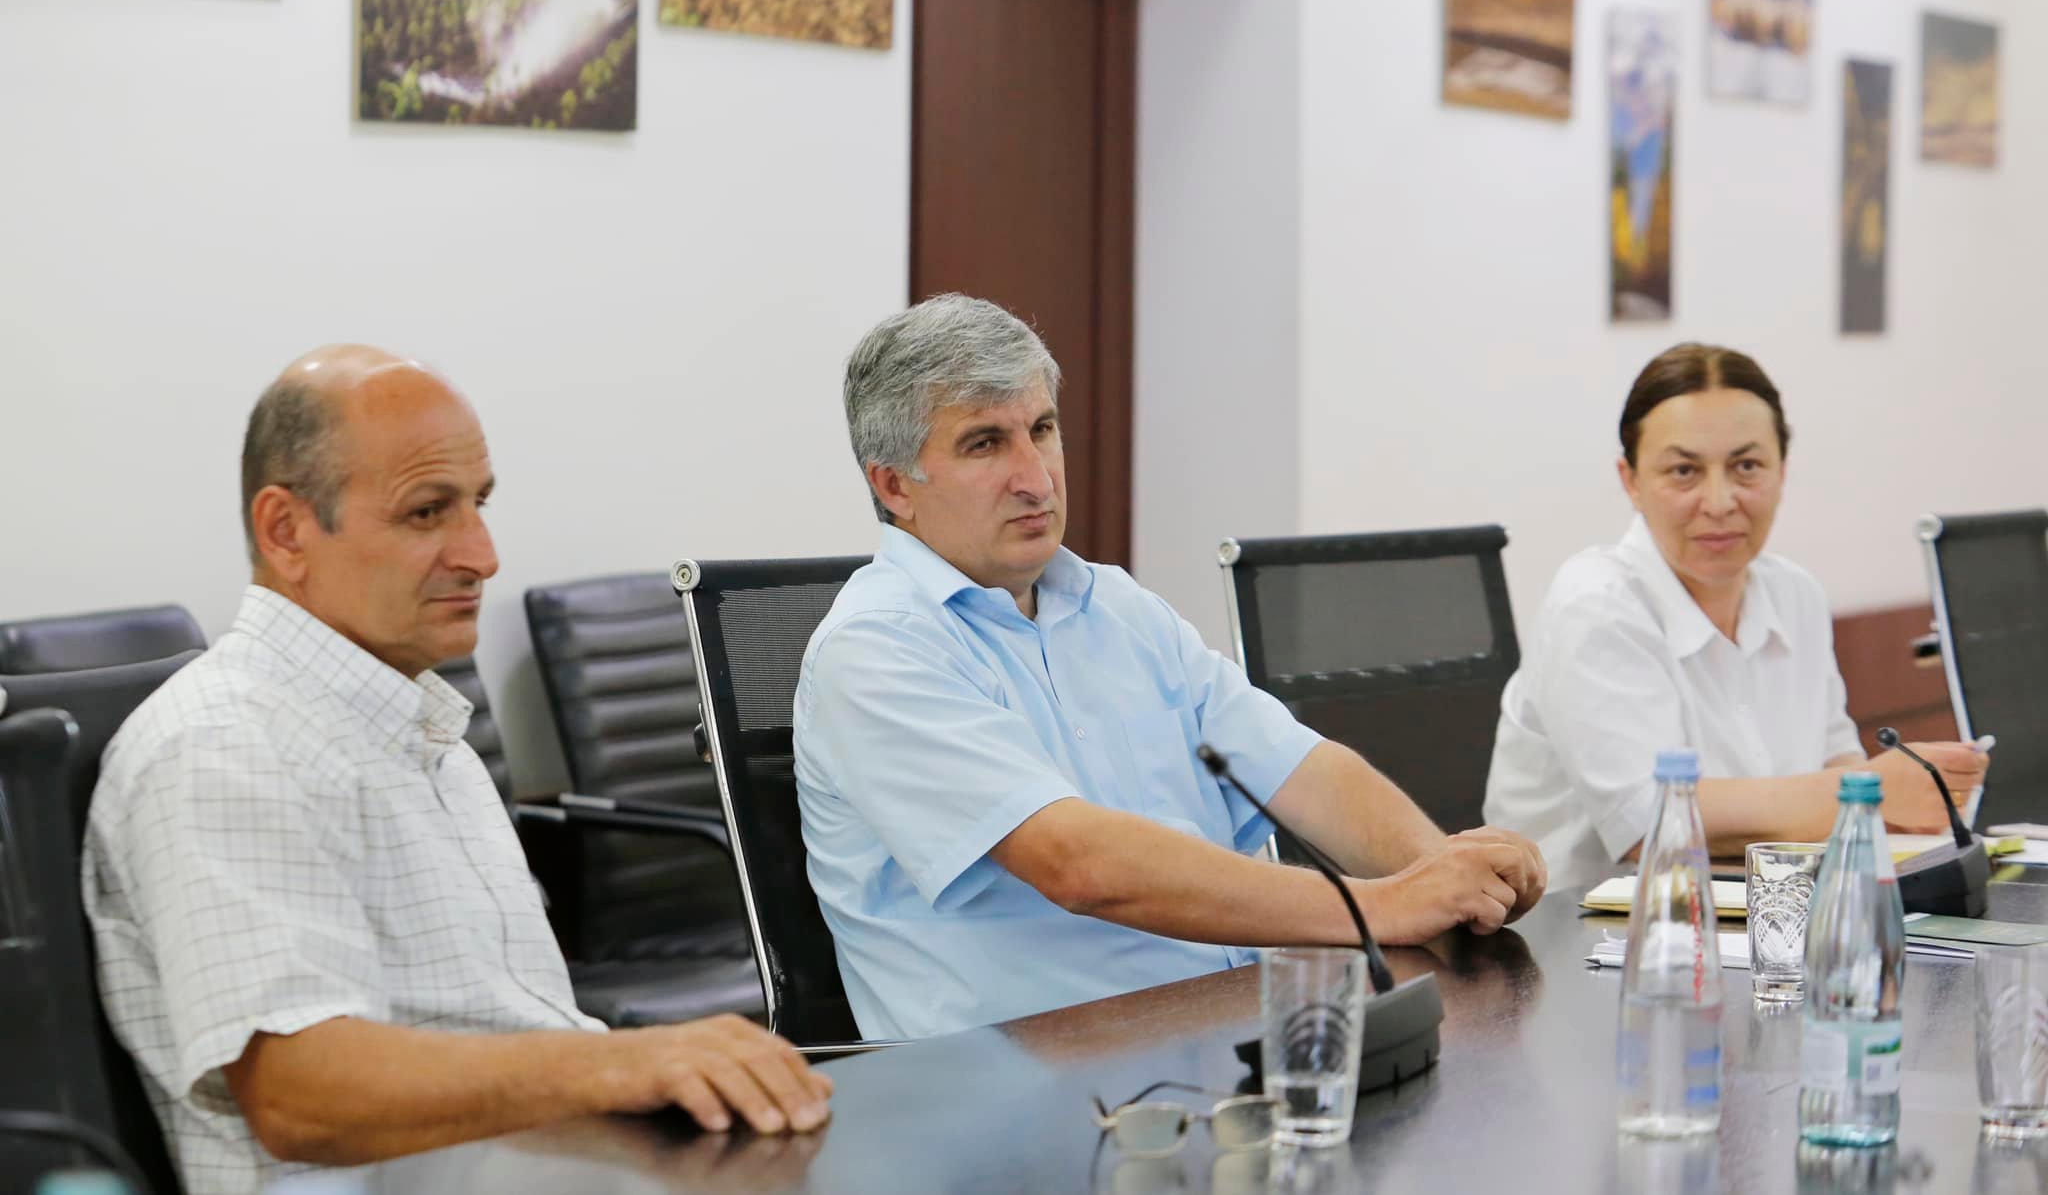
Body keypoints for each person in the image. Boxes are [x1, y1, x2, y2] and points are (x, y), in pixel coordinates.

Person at [82, 346, 831, 1195]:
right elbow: (299, 1092)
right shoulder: (221, 747)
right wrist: (620, 1063)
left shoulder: (413, 728)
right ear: (286, 530)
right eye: (427, 512)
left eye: (479, 504)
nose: (482, 554)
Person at [794, 295, 1547, 1041]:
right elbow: (1078, 865)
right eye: (985, 444)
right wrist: (1383, 906)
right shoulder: (877, 649)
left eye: (1043, 430)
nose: (1037, 479)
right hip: (1036, 1079)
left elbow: (1305, 772)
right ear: (895, 486)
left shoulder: (1116, 605)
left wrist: (1449, 877)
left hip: (1225, 1027)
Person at [1484, 342, 1989, 890]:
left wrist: (1902, 796)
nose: (1720, 501)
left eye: (1746, 467)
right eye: (1684, 471)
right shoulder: (1595, 604)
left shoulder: (1794, 593)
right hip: (1583, 928)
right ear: (1631, 480)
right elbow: (1650, 822)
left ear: (1782, 472)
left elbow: (1836, 759)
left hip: (1763, 910)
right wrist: (1871, 792)